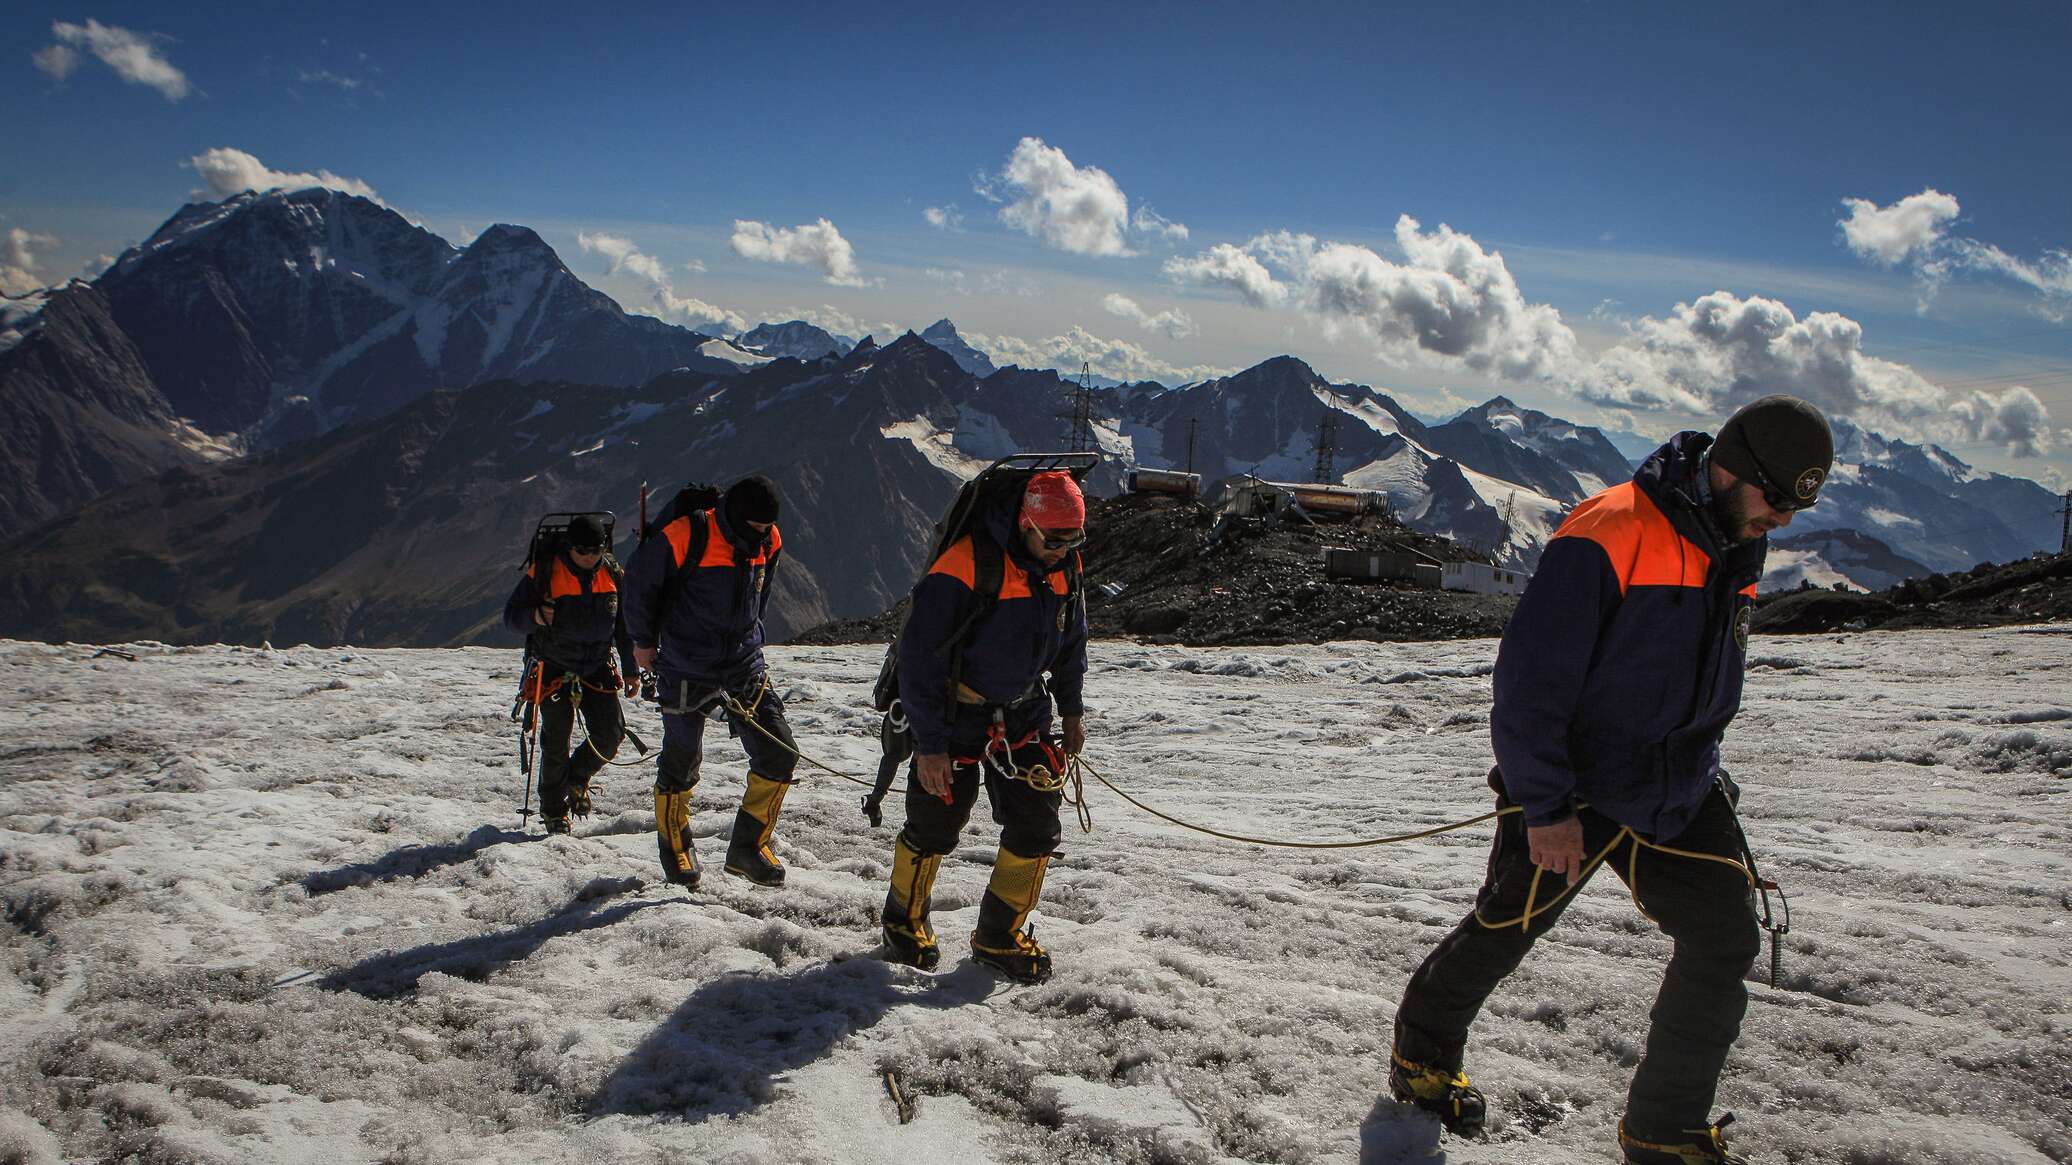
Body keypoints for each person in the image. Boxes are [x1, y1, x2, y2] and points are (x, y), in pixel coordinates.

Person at [1387, 395, 1834, 1165]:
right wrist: (1545, 804)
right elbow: (1530, 682)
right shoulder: (1610, 528)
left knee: (1725, 936)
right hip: (1575, 790)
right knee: (1506, 923)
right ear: (1733, 470)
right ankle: (1422, 1058)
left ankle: (1663, 1129)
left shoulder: (1734, 542)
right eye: (1777, 500)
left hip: (1678, 787)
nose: (1783, 521)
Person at [879, 469, 1090, 984]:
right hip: (953, 718)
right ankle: (903, 923)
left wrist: (1072, 711)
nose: (1063, 549)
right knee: (934, 824)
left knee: (1037, 827)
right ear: (1025, 523)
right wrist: (929, 747)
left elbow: (1071, 643)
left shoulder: (1063, 568)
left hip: (1023, 715)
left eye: (1073, 538)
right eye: (1054, 538)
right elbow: (920, 661)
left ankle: (999, 936)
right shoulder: (965, 566)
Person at [623, 475, 796, 890]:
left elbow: (762, 590)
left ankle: (748, 848)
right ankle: (675, 849)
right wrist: (643, 643)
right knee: (681, 761)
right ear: (734, 515)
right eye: (753, 528)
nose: (760, 536)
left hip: (742, 665)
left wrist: (754, 638)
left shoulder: (769, 539)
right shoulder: (687, 535)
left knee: (779, 753)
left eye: (764, 528)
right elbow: (638, 586)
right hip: (685, 665)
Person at [502, 514, 636, 835]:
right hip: (553, 667)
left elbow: (624, 626)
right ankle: (553, 809)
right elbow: (511, 617)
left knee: (610, 734)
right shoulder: (545, 574)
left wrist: (631, 670)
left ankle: (576, 777)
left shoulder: (612, 573)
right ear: (570, 548)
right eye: (584, 552)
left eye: (596, 551)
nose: (591, 558)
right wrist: (535, 616)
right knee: (556, 743)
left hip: (597, 665)